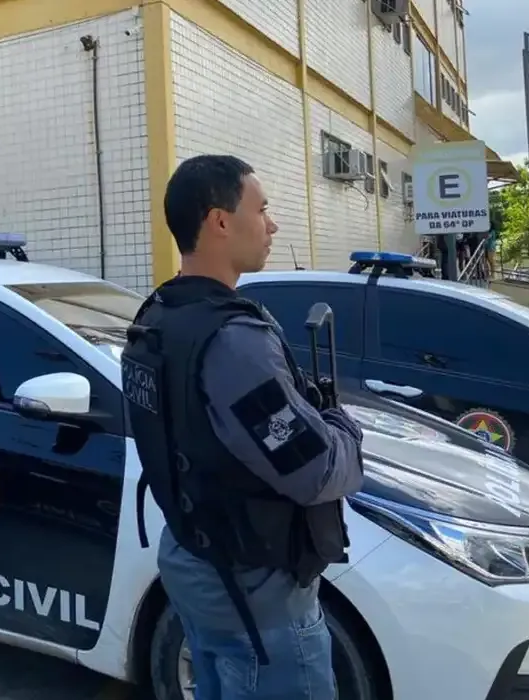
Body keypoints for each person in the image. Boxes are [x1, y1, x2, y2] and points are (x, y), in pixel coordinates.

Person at [121, 155, 365, 699]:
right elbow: (314, 470)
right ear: (220, 221)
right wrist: (346, 430)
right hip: (257, 596)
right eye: (262, 209)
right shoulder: (233, 341)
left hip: (195, 562)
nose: (272, 225)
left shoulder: (157, 316)